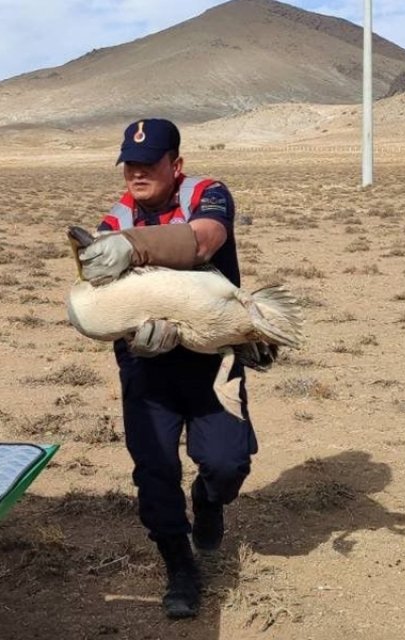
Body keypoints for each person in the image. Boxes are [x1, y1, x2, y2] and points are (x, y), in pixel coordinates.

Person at [77, 118, 257, 619]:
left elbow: (204, 240)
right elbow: (104, 300)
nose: (137, 173)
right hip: (148, 365)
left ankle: (209, 498)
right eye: (129, 164)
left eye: (149, 163)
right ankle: (179, 567)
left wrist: (135, 247)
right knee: (154, 472)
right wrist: (129, 334)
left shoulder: (206, 193)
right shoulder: (114, 220)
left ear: (175, 165)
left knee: (227, 464)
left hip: (213, 360)